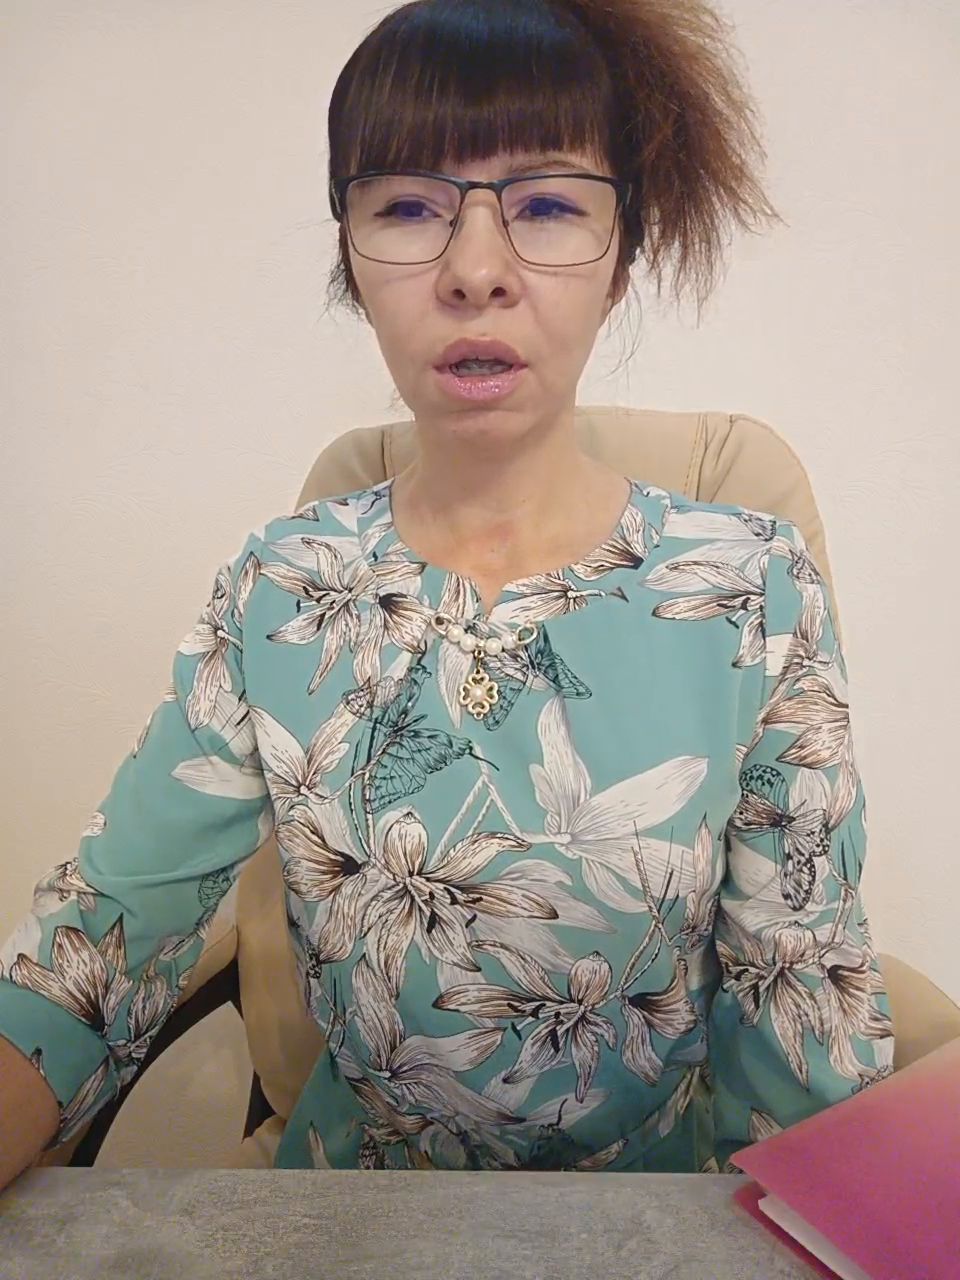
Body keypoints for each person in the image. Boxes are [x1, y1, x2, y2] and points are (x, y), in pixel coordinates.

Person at [0, 0, 892, 1186]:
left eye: (549, 206)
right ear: (351, 258)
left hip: (648, 1222)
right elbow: (99, 943)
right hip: (350, 1217)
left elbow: (804, 1012)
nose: (475, 272)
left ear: (623, 256)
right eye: (409, 208)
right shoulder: (281, 589)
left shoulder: (754, 592)